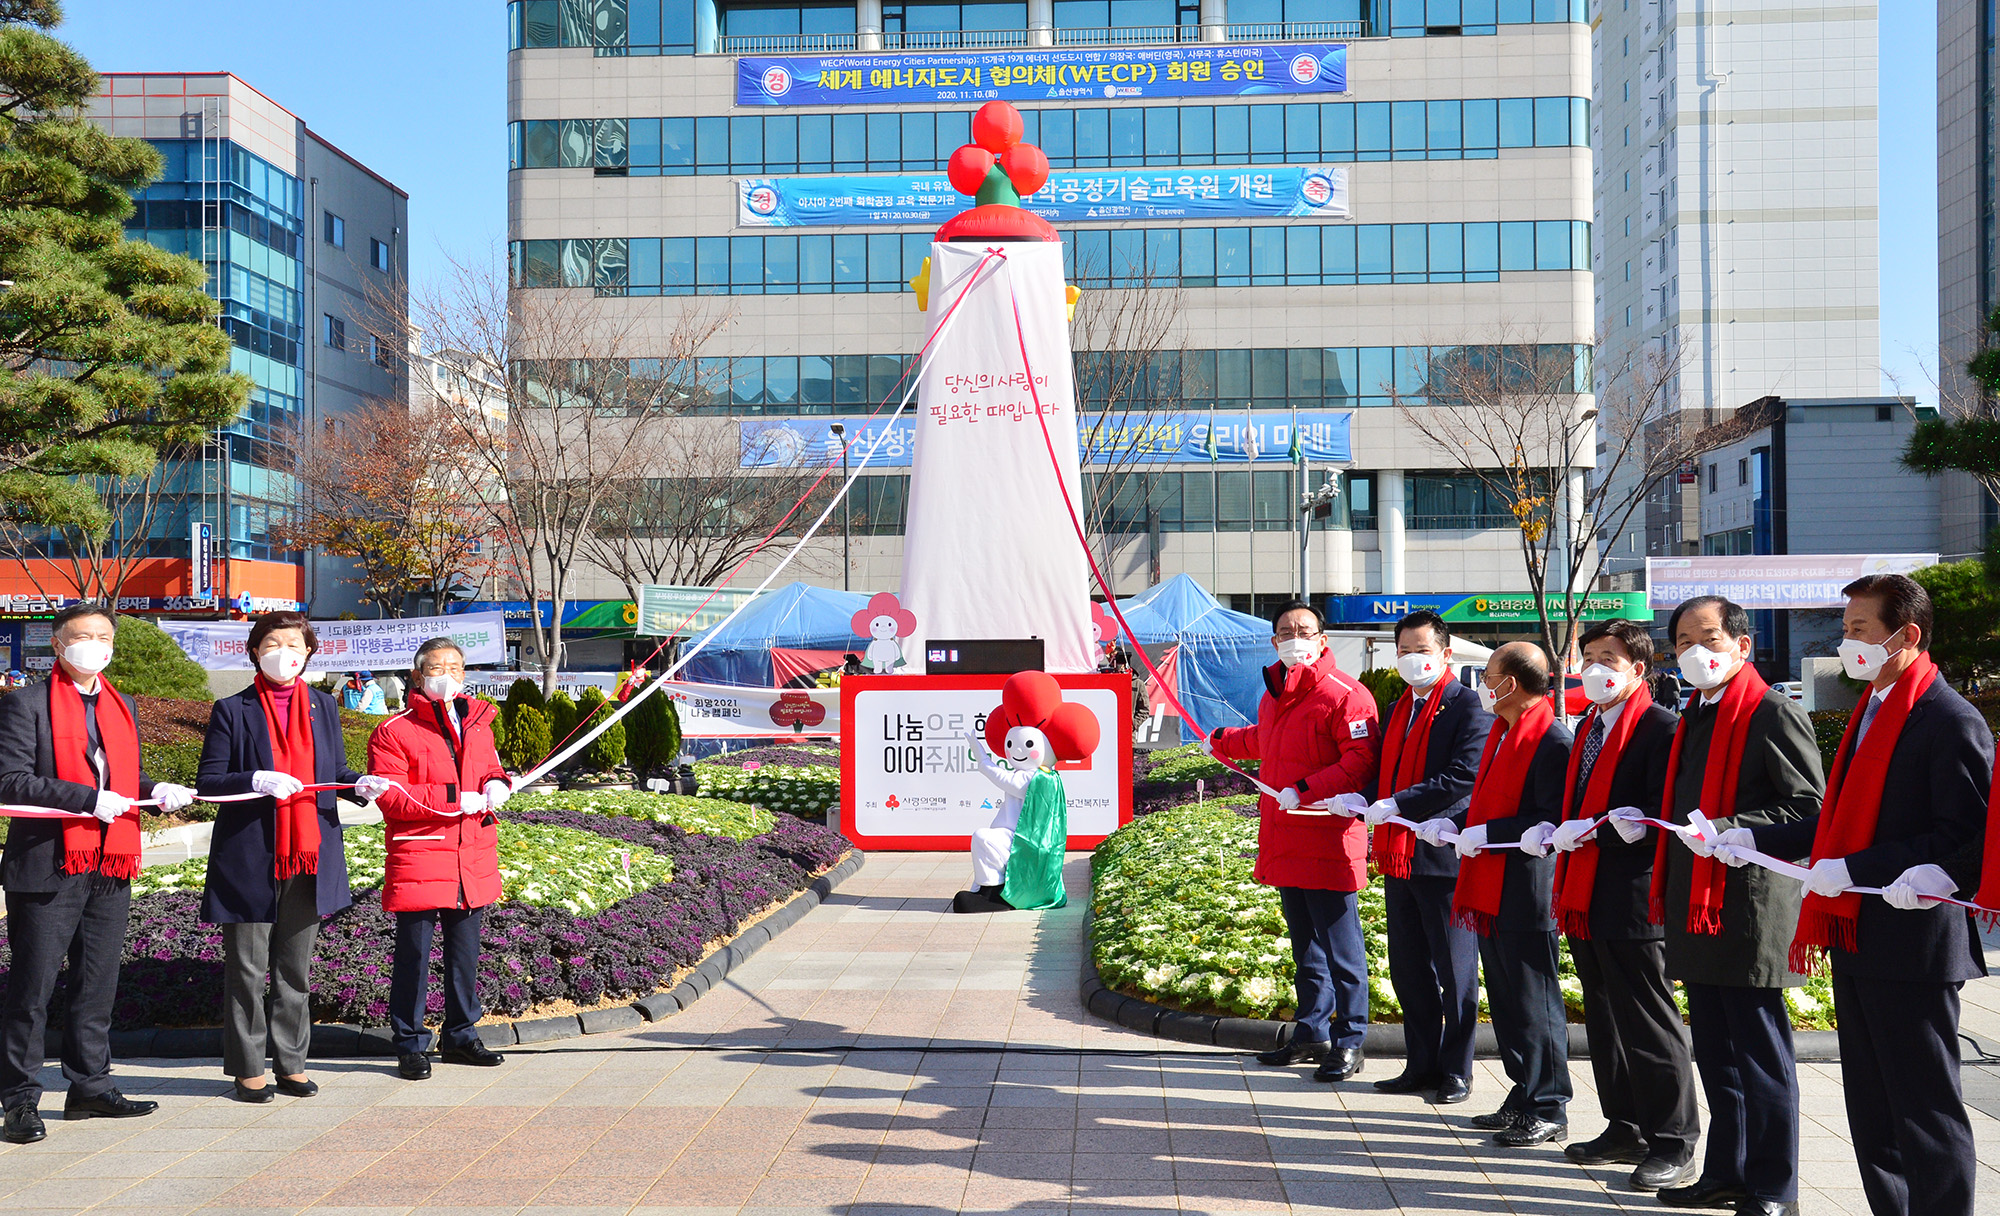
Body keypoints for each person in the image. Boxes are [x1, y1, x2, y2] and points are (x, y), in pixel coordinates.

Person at [1720, 576, 1988, 1216]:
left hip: (1915, 942)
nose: (1847, 643)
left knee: (1924, 1108)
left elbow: (1963, 836)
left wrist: (1859, 865)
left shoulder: (1949, 719)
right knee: (1872, 1110)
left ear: (1908, 635)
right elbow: (1834, 821)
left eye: (1858, 630)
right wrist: (1746, 838)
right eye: (1846, 630)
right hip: (1858, 931)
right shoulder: (1873, 706)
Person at [0, 603, 196, 1144]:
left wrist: (153, 788)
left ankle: (90, 1086)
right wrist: (87, 800)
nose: (95, 644)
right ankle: (19, 1099)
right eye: (82, 635)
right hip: (46, 864)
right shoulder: (26, 703)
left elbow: (120, 773)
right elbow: (11, 781)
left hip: (109, 861)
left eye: (103, 635)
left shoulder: (120, 704)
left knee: (96, 983)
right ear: (58, 644)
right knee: (33, 988)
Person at [1654, 595, 1823, 1216]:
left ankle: (1774, 1187)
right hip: (1698, 903)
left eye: (1709, 639)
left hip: (1747, 906)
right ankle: (1726, 1171)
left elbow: (1808, 806)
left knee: (1761, 1059)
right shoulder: (1693, 712)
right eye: (1682, 643)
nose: (1695, 652)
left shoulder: (1770, 711)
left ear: (1742, 646)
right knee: (1719, 1055)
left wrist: (1735, 827)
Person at [197, 612, 392, 1103]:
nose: (284, 651)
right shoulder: (232, 709)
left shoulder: (323, 707)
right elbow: (209, 782)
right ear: (255, 651)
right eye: (272, 642)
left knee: (294, 967)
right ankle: (247, 1068)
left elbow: (334, 770)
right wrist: (254, 779)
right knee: (246, 967)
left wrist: (358, 785)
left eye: (294, 643)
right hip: (250, 855)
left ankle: (291, 1062)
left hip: (310, 852)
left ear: (309, 652)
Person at [1547, 620, 1699, 1190]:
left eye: (1607, 658)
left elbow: (1656, 816)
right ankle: (1625, 1123)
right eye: (1588, 656)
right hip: (1586, 893)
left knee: (1649, 1021)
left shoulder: (1660, 728)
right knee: (1606, 1018)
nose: (1593, 668)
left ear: (1637, 669)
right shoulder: (1589, 725)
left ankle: (1675, 1140)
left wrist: (1596, 832)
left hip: (1633, 897)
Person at [1202, 601, 1380, 1082]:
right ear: (1274, 641)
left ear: (1323, 639)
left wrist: (1305, 791)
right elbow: (1268, 741)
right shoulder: (1275, 692)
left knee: (1342, 950)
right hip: (1286, 839)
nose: (1294, 637)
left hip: (1327, 839)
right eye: (1285, 630)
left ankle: (1350, 1039)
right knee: (1306, 948)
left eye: (1304, 629)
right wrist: (1221, 739)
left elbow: (1361, 760)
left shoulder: (1347, 694)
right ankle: (1311, 1031)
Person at [1412, 642, 1572, 1146]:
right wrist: (1452, 824)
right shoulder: (1503, 732)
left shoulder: (1550, 738)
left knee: (1535, 1002)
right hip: (1491, 887)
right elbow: (1482, 804)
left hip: (1526, 888)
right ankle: (1523, 1093)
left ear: (1514, 683)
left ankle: (1549, 1102)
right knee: (1506, 1002)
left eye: (1490, 674)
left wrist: (1488, 830)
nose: (1483, 682)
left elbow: (1549, 815)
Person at [1356, 609, 1491, 1106]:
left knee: (1455, 972)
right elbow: (1386, 774)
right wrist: (1363, 797)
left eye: (1423, 651)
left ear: (1446, 653)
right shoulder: (1398, 710)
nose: (1414, 660)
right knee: (1408, 968)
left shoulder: (1467, 707)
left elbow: (1463, 777)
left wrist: (1400, 803)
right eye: (1405, 652)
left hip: (1441, 856)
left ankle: (1457, 1071)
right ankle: (1421, 1063)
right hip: (1399, 858)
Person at [367, 637, 513, 1081]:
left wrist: (496, 783)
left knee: (465, 956)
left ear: (465, 675)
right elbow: (392, 798)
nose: (445, 675)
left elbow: (487, 769)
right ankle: (410, 1043)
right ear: (417, 676)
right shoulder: (393, 731)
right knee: (413, 957)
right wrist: (456, 798)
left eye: (454, 667)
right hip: (420, 857)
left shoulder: (480, 724)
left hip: (472, 856)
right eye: (435, 668)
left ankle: (461, 1036)